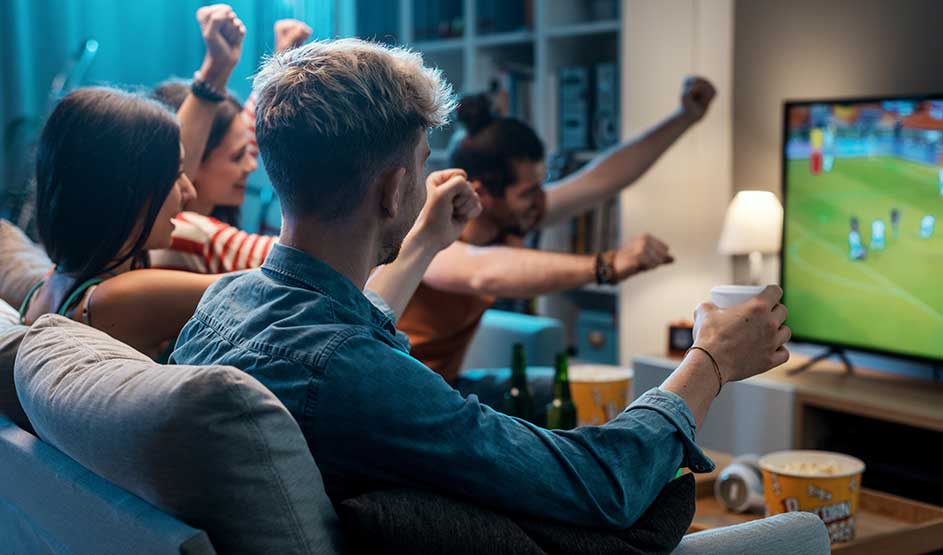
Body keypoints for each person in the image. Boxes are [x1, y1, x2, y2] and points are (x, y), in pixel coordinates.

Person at [172, 38, 792, 529]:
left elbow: (346, 326)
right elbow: (600, 485)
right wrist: (711, 363)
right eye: (422, 165)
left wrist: (423, 242)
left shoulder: (222, 305)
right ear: (393, 190)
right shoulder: (354, 372)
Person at [398, 80, 715, 381]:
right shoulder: (427, 234)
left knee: (573, 385)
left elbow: (601, 180)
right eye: (527, 192)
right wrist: (607, 265)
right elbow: (483, 272)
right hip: (406, 397)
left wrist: (685, 117)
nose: (540, 201)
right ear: (482, 192)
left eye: (541, 184)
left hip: (448, 384)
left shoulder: (512, 216)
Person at [18, 5, 247, 359]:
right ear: (130, 194)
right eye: (175, 177)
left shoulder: (56, 283)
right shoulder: (120, 297)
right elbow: (272, 288)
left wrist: (214, 73)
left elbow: (162, 154)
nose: (189, 191)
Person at [149, 16, 313, 274]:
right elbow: (312, 258)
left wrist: (279, 64)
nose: (251, 165)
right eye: (237, 157)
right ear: (192, 158)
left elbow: (247, 129)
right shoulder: (192, 237)